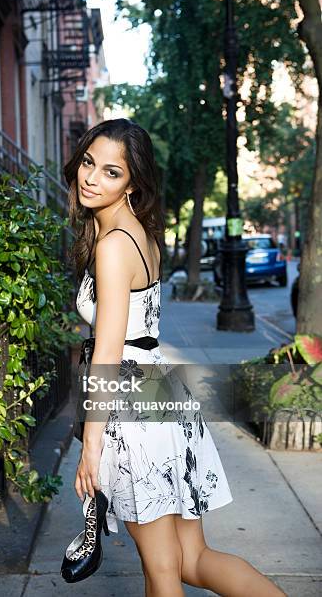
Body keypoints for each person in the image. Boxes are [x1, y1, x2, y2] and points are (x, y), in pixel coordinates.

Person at [63, 118, 286, 597]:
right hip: (160, 390)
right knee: (191, 561)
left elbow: (107, 347)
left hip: (131, 400)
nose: (91, 178)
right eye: (88, 163)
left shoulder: (112, 245)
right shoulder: (139, 234)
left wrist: (91, 444)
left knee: (163, 571)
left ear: (132, 185)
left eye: (111, 172)